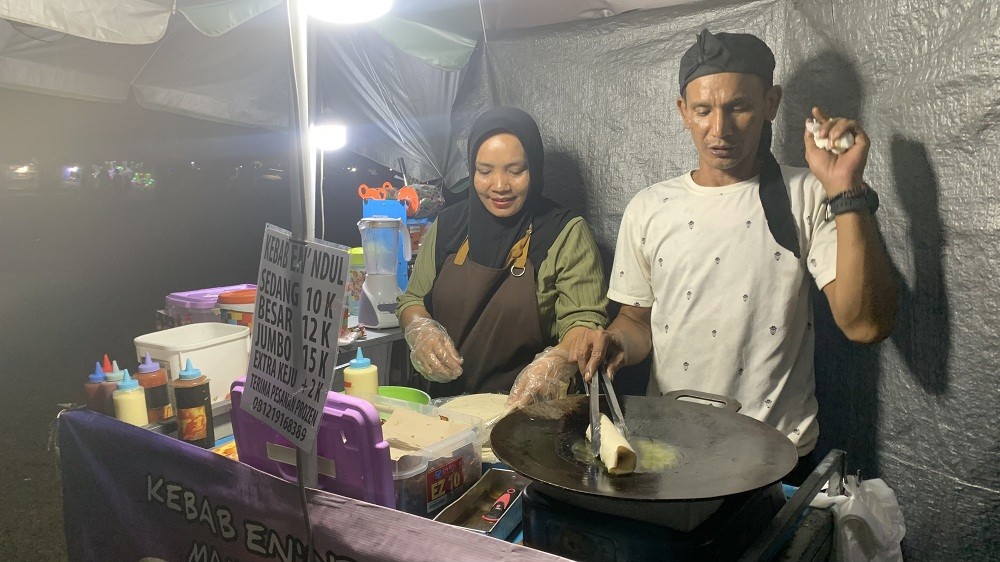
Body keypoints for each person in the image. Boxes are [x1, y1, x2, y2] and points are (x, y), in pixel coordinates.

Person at [572, 29, 897, 483]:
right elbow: (637, 321)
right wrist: (614, 342)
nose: (719, 129)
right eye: (703, 110)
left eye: (738, 107)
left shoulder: (805, 194)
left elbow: (865, 325)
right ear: (683, 111)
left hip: (775, 456)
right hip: (670, 450)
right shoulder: (649, 207)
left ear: (771, 103)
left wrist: (847, 190)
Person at [397, 107, 609, 406]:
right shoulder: (448, 225)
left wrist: (559, 361)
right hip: (443, 411)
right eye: (485, 171)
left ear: (534, 169)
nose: (499, 186)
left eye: (515, 170)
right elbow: (413, 299)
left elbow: (584, 322)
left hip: (525, 411)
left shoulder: (565, 232)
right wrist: (420, 329)